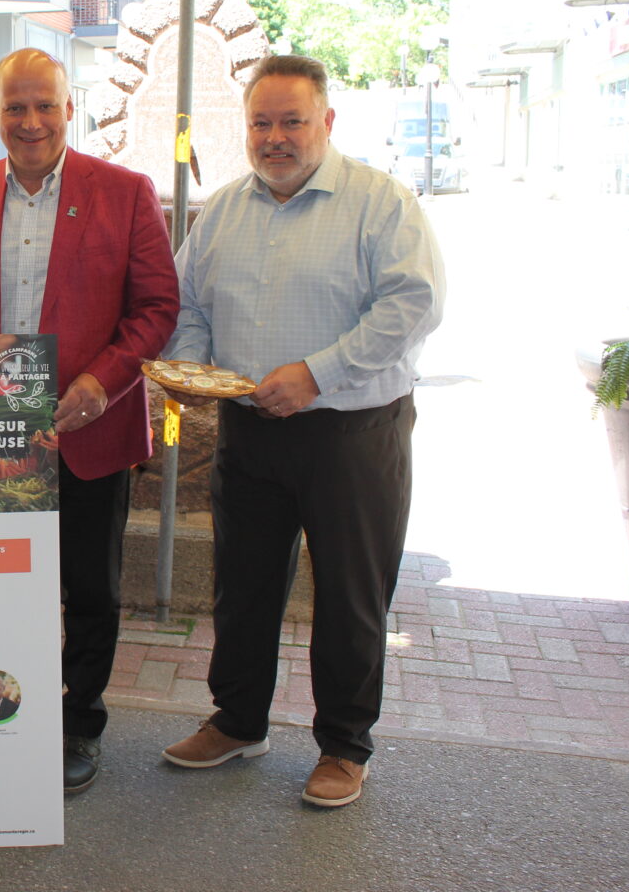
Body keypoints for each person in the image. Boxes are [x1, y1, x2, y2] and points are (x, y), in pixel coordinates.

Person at [156, 55, 445, 809]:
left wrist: (316, 373)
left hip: (351, 433)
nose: (275, 137)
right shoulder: (220, 210)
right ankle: (239, 720)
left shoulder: (380, 204)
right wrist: (189, 369)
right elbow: (189, 307)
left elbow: (410, 306)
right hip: (249, 430)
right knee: (242, 587)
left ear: (326, 121)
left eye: (292, 120)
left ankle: (345, 746)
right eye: (261, 122)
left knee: (350, 593)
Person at [0, 48, 180, 793]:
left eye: (45, 105)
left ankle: (77, 723)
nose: (31, 122)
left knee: (89, 590)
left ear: (71, 108)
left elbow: (158, 306)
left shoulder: (126, 192)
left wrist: (104, 380)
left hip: (87, 428)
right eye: (16, 108)